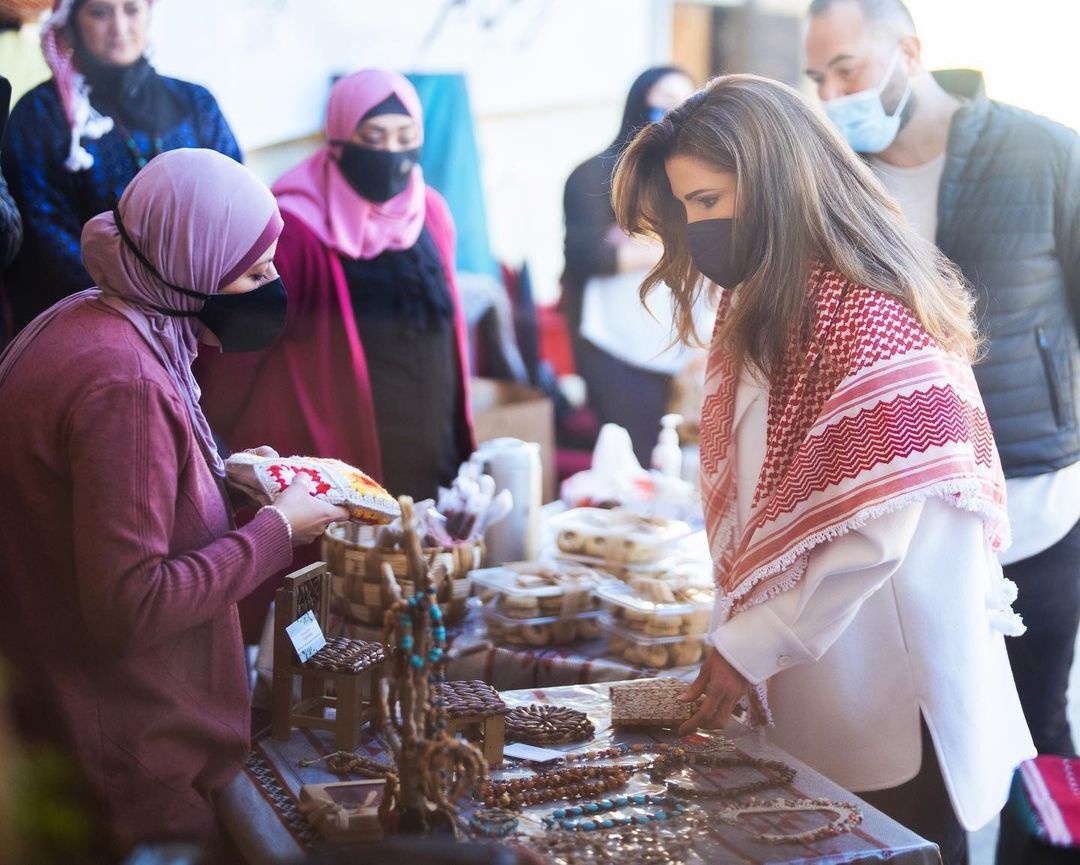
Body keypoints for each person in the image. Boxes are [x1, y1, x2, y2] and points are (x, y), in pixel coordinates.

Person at [612, 74, 1034, 865]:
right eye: (689, 208)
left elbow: (876, 533)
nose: (698, 227)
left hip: (887, 696)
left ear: (773, 179)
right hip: (818, 679)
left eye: (707, 201)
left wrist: (750, 642)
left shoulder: (870, 312)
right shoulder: (770, 299)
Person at [0, 148, 347, 859]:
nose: (273, 284)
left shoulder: (95, 315)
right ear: (189, 265)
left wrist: (225, 476)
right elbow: (131, 603)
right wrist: (278, 529)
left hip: (89, 731)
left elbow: (120, 506)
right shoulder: (123, 381)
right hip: (127, 765)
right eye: (254, 272)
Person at [804, 0, 1080, 760]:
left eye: (846, 69)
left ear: (911, 52)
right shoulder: (838, 184)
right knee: (926, 749)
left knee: (1039, 737)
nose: (830, 96)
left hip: (1036, 504)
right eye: (817, 77)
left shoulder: (1046, 152)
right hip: (903, 514)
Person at [195, 69, 474, 639]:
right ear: (339, 138)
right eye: (374, 139)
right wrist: (214, 444)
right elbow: (237, 351)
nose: (393, 155)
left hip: (425, 446)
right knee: (333, 615)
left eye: (405, 136)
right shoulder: (294, 230)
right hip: (342, 449)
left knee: (411, 601)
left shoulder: (433, 214)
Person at [1, 0, 241, 334]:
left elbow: (237, 203)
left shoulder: (195, 102)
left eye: (132, 9)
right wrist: (145, 305)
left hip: (204, 315)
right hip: (97, 325)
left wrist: (204, 293)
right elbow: (47, 237)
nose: (119, 28)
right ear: (71, 22)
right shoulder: (39, 116)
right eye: (100, 12)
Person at [562, 65, 711, 465]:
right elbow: (587, 254)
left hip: (679, 340)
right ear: (637, 102)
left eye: (684, 102)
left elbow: (711, 243)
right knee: (632, 456)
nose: (671, 112)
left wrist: (642, 243)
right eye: (660, 101)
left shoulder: (693, 175)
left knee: (678, 454)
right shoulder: (594, 174)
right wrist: (666, 245)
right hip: (615, 343)